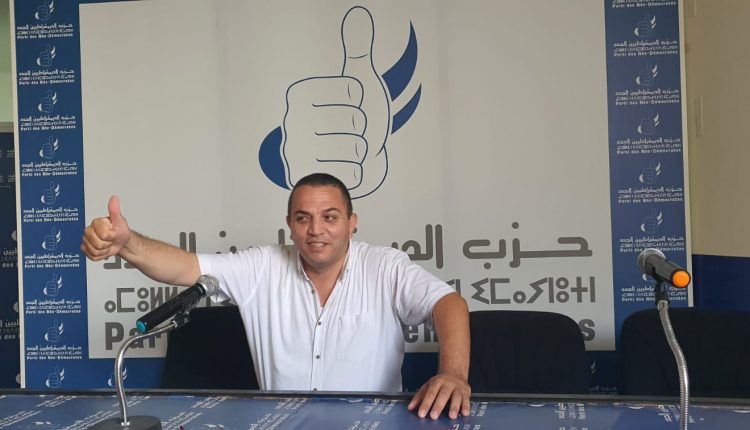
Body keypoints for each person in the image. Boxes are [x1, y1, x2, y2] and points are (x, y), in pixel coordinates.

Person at [81, 173, 471, 420]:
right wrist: (128, 244)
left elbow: (448, 303)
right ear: (289, 224)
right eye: (303, 218)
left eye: (330, 217)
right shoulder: (263, 266)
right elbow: (184, 267)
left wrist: (453, 374)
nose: (316, 230)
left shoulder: (384, 266)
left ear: (352, 223)